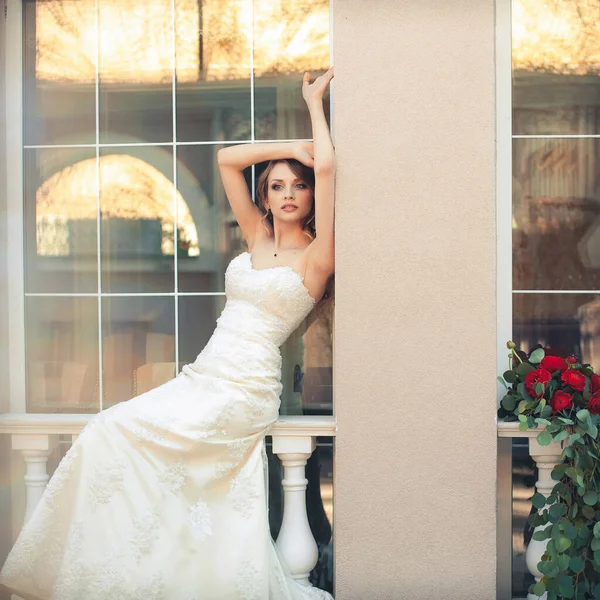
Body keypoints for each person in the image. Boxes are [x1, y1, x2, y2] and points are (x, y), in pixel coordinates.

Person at [0, 67, 335, 600]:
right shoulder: (255, 237)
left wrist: (316, 110)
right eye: (276, 185)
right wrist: (291, 144)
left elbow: (331, 166)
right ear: (265, 197)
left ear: (314, 194)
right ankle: (105, 575)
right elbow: (228, 160)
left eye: (300, 184)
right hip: (204, 374)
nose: (288, 193)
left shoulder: (317, 257)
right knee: (106, 431)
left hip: (246, 386)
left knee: (132, 440)